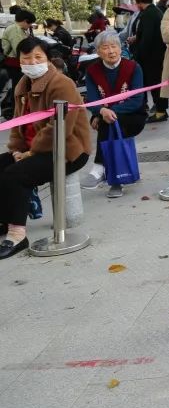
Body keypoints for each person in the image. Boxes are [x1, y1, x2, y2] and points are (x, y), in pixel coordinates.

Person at [0, 37, 92, 259]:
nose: (32, 62)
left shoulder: (62, 84)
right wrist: (16, 150)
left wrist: (31, 152)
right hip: (32, 149)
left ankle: (17, 234)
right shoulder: (22, 85)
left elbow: (61, 128)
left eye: (38, 57)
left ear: (49, 59)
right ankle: (3, 221)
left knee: (15, 175)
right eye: (26, 58)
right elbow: (18, 122)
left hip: (68, 150)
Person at [80, 31, 147, 198]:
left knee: (109, 121)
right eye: (105, 47)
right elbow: (93, 99)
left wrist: (105, 112)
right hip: (106, 116)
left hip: (134, 115)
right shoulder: (92, 70)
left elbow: (137, 100)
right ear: (98, 51)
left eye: (114, 46)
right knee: (110, 123)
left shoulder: (133, 67)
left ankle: (100, 168)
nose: (111, 51)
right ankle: (116, 180)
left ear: (120, 48)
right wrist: (100, 111)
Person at [131, 0, 168, 123]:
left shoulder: (149, 14)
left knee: (155, 84)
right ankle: (160, 109)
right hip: (156, 55)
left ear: (139, 1)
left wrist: (137, 55)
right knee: (156, 84)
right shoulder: (153, 11)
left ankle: (160, 112)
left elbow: (147, 39)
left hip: (152, 58)